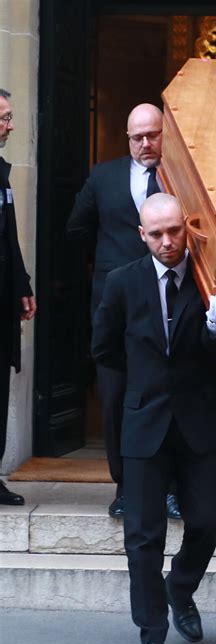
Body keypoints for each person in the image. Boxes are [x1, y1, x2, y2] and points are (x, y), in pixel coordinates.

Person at [91, 193, 216, 644]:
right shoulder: (121, 283)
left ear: (187, 227)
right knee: (142, 537)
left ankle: (181, 586)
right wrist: (142, 388)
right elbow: (106, 349)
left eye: (174, 231)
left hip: (200, 420)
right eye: (156, 233)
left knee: (208, 520)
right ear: (142, 235)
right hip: (145, 421)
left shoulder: (207, 275)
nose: (167, 241)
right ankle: (151, 635)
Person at [66, 103, 180, 519]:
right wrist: (108, 267)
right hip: (115, 305)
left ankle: (169, 488)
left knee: (167, 397)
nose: (146, 144)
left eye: (153, 135)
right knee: (115, 399)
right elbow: (76, 229)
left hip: (171, 303)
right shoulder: (103, 176)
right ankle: (125, 489)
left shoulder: (183, 176)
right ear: (127, 138)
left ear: (165, 134)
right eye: (137, 137)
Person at [0, 88, 37, 505]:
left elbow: (9, 238)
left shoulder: (2, 173)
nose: (10, 126)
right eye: (5, 118)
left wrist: (23, 286)